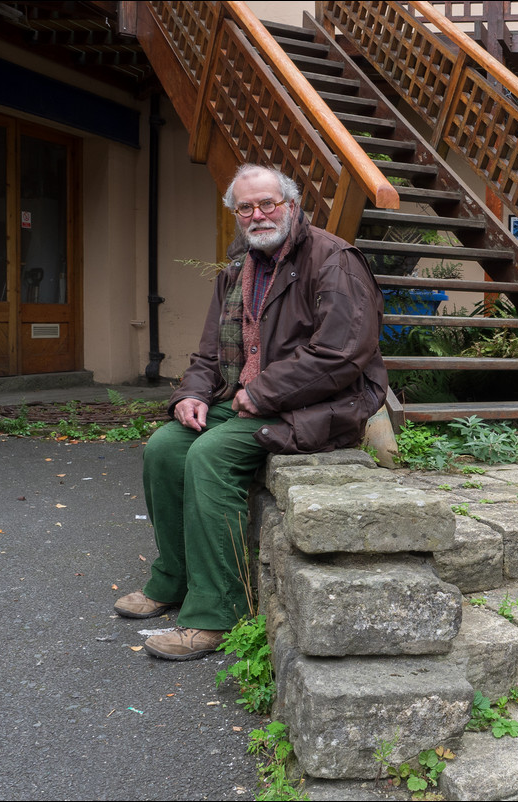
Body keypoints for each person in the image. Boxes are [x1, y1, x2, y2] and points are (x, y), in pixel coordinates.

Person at [114, 163, 388, 660]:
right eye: (246, 207)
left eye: (268, 204)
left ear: (291, 205)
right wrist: (192, 396)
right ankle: (173, 579)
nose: (258, 214)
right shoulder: (238, 269)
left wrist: (263, 393)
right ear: (236, 214)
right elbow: (206, 357)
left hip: (319, 406)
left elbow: (343, 353)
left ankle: (217, 614)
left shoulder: (332, 258)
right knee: (165, 448)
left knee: (210, 456)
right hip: (242, 400)